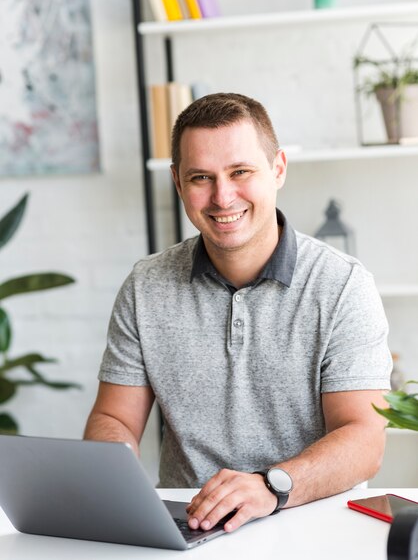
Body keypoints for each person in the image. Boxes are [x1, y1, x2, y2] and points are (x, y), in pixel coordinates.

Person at [84, 92, 392, 534]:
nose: (222, 197)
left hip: (314, 521)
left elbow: (364, 438)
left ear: (278, 169)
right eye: (200, 178)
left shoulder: (343, 285)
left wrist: (271, 486)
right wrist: (114, 482)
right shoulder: (145, 286)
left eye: (240, 172)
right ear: (177, 182)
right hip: (190, 525)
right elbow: (114, 418)